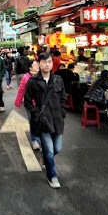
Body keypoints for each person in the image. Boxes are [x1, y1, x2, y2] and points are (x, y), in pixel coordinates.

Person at [24, 52, 67, 189]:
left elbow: (63, 98)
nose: (47, 64)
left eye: (49, 62)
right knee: (49, 151)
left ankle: (46, 158)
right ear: (39, 63)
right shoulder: (33, 81)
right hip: (43, 121)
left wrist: (62, 112)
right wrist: (36, 113)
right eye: (44, 62)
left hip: (57, 120)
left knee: (57, 148)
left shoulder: (58, 80)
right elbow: (28, 101)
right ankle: (52, 176)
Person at [14, 59, 41, 150]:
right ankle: (34, 141)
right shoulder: (26, 78)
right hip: (30, 105)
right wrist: (17, 102)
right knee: (33, 122)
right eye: (35, 65)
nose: (37, 66)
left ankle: (41, 138)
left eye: (37, 65)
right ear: (30, 68)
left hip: (41, 104)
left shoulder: (42, 75)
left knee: (41, 121)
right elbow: (21, 91)